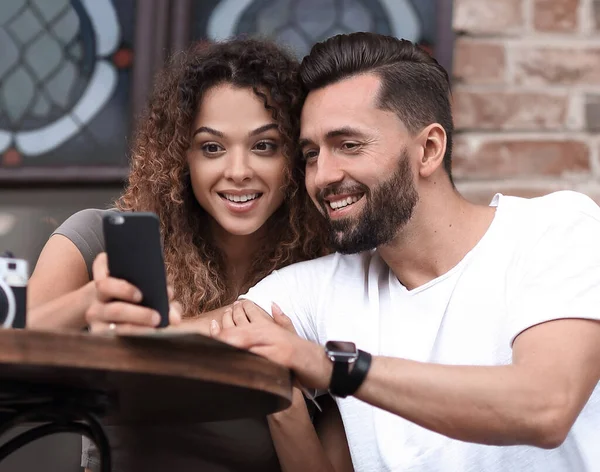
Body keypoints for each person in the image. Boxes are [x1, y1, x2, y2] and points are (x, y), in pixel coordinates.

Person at [209, 33, 600, 472]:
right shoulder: (319, 288)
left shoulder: (553, 230)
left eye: (349, 145)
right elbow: (188, 340)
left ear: (429, 149)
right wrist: (122, 317)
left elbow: (545, 408)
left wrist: (334, 367)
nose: (322, 176)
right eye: (312, 154)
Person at [26, 38, 331, 471]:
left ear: (297, 157)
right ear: (180, 156)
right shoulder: (99, 240)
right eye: (212, 147)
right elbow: (10, 350)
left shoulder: (325, 283)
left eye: (265, 145)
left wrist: (283, 398)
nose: (238, 170)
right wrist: (86, 303)